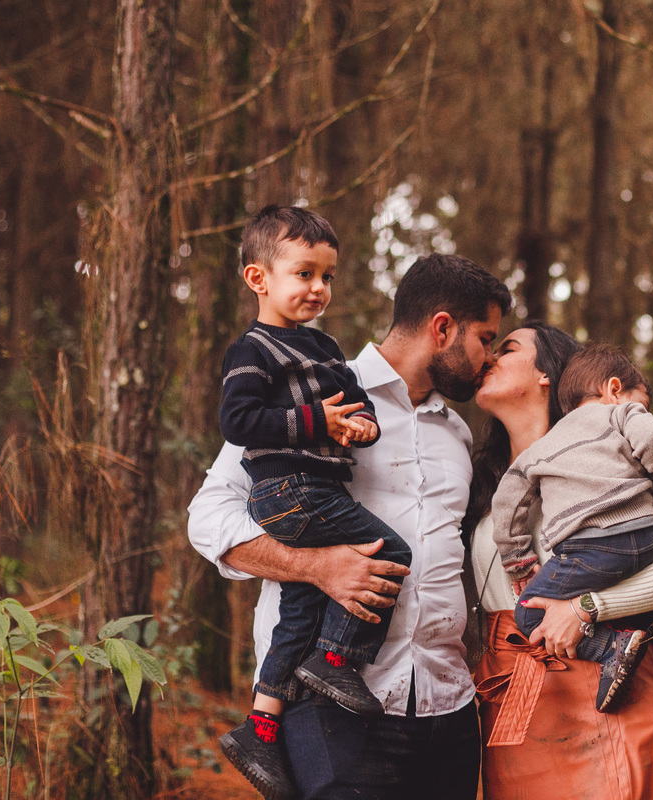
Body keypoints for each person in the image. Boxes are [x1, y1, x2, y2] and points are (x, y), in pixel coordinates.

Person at [188, 250, 512, 800]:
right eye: (485, 338)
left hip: (448, 708)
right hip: (335, 709)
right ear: (442, 328)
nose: (489, 359)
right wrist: (315, 566)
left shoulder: (457, 434)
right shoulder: (316, 391)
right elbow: (209, 518)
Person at [466, 322, 653, 800]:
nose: (487, 358)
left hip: (606, 675)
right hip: (511, 681)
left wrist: (586, 607)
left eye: (508, 348)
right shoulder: (483, 481)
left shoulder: (624, 454)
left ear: (546, 375)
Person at [215, 205, 414, 798]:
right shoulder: (251, 350)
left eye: (327, 276)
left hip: (316, 490)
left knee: (300, 606)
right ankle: (335, 662)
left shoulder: (326, 349)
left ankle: (260, 725)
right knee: (391, 549)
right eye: (304, 274)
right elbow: (238, 419)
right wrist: (315, 422)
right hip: (289, 492)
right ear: (259, 279)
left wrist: (361, 429)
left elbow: (359, 406)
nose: (319, 288)